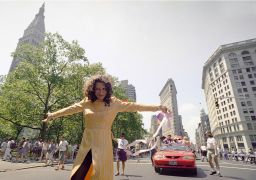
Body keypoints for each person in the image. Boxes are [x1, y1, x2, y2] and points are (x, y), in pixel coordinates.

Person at [42, 74, 168, 180]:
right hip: (88, 142)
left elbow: (136, 106)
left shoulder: (114, 103)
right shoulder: (86, 102)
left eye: (103, 89)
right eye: (97, 89)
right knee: (80, 173)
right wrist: (52, 115)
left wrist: (157, 107)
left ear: (107, 89)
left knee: (100, 173)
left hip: (103, 142)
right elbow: (69, 109)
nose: (100, 92)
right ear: (92, 89)